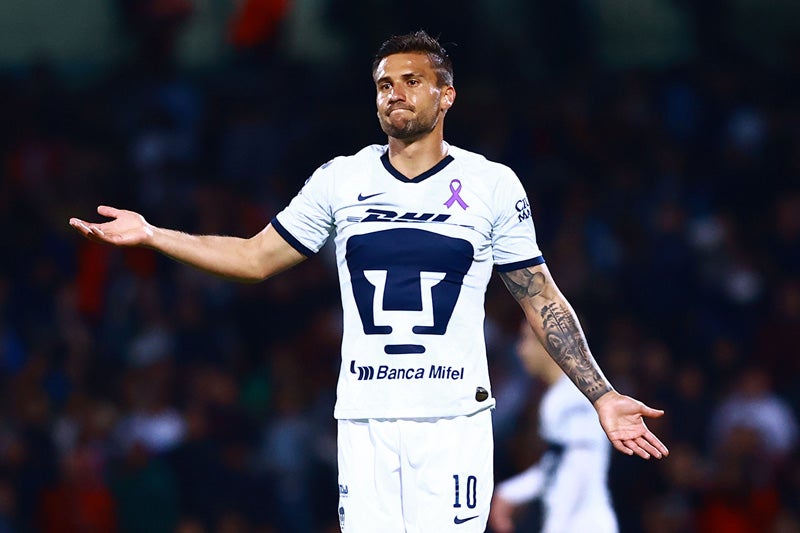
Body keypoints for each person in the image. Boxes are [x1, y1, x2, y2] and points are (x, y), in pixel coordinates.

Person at [70, 30, 668, 533]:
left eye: (411, 81)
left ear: (446, 95)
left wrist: (601, 394)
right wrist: (153, 234)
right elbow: (255, 258)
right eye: (384, 85)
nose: (394, 94)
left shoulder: (492, 185)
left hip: (452, 421)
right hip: (365, 418)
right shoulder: (341, 179)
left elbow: (541, 298)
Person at [489, 321, 618, 533]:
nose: (520, 350)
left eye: (526, 340)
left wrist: (555, 527)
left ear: (550, 344)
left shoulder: (576, 396)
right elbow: (556, 464)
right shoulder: (560, 395)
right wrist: (510, 492)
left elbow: (580, 465)